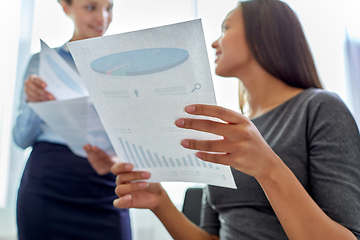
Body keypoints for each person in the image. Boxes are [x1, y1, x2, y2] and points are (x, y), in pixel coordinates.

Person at [108, 0, 360, 239]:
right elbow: (211, 238)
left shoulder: (319, 108)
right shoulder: (230, 131)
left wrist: (268, 168)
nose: (214, 43)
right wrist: (160, 202)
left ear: (263, 36)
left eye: (225, 28)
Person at [13, 0, 132, 239]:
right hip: (46, 186)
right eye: (91, 7)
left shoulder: (127, 68)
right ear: (65, 7)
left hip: (106, 184)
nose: (103, 17)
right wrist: (35, 104)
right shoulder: (42, 63)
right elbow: (21, 139)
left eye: (109, 8)